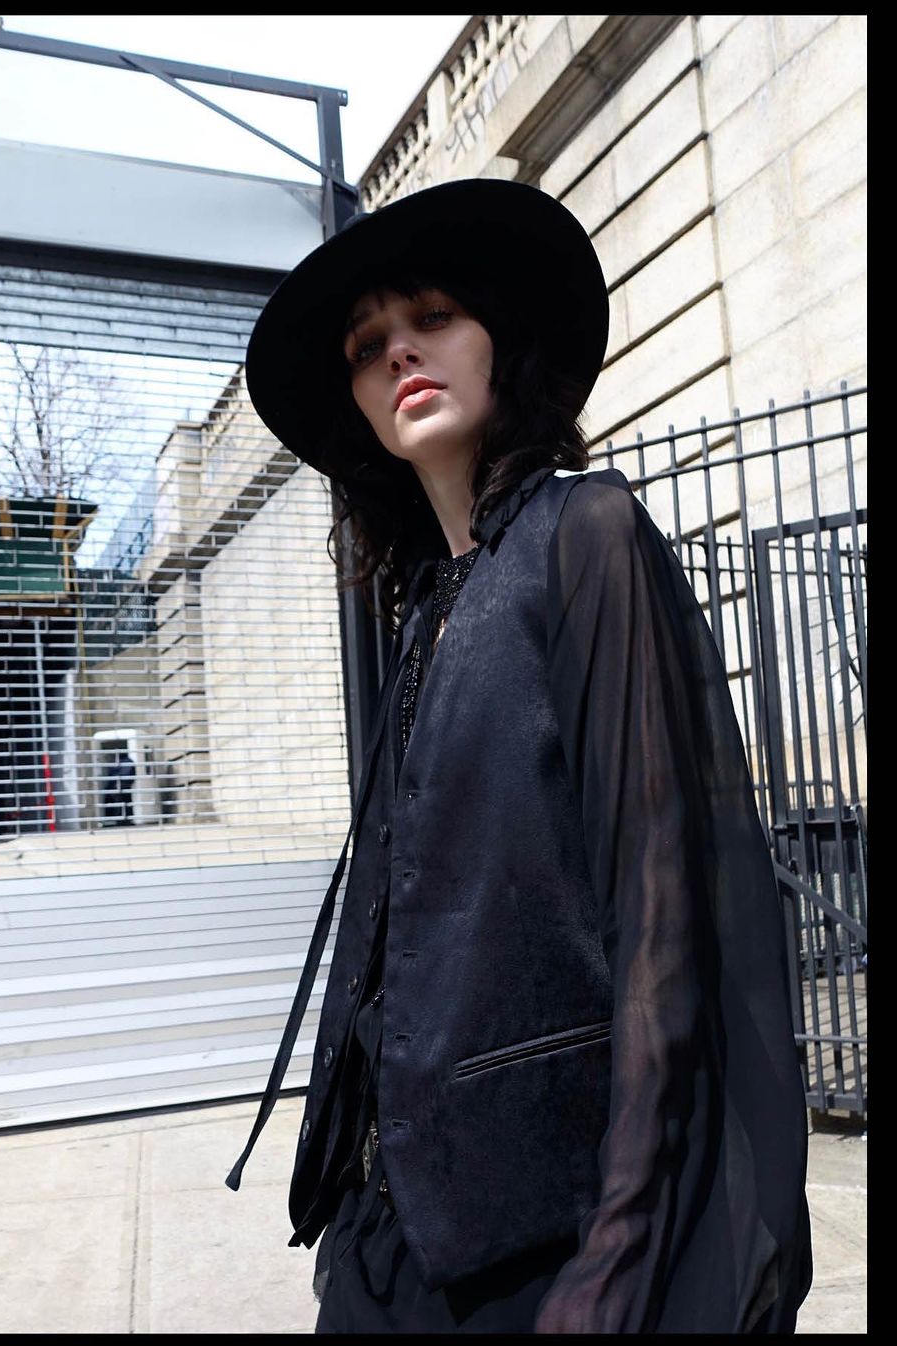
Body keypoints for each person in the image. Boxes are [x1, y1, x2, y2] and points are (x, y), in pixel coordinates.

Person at [225, 178, 814, 1332]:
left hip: (550, 1244)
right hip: (386, 1244)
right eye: (367, 347)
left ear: (499, 340)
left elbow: (663, 923)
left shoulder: (585, 535)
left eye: (432, 317)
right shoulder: (424, 611)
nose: (400, 353)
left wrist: (621, 1257)